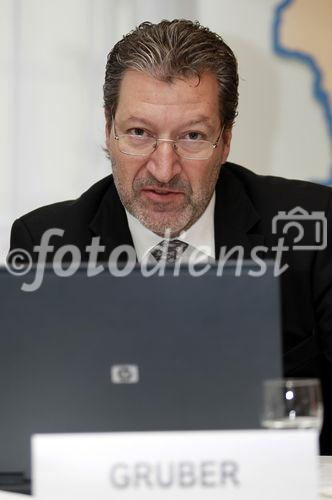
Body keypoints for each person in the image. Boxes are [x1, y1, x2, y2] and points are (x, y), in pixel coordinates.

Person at [9, 19, 332, 452]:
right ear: (109, 131)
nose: (163, 169)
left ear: (226, 141)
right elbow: (31, 432)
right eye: (139, 133)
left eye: (192, 136)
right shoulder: (46, 243)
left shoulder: (312, 228)